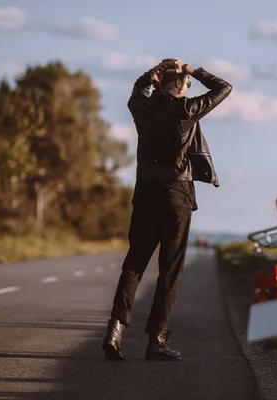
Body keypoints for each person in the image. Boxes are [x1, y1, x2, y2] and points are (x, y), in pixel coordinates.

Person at [101, 58, 232, 361]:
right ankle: (156, 340)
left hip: (145, 191)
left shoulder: (142, 109)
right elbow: (224, 88)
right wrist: (193, 70)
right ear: (178, 85)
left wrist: (153, 74)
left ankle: (115, 330)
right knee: (169, 271)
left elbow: (138, 89)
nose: (188, 89)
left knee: (134, 265)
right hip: (176, 194)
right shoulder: (184, 109)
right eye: (186, 85)